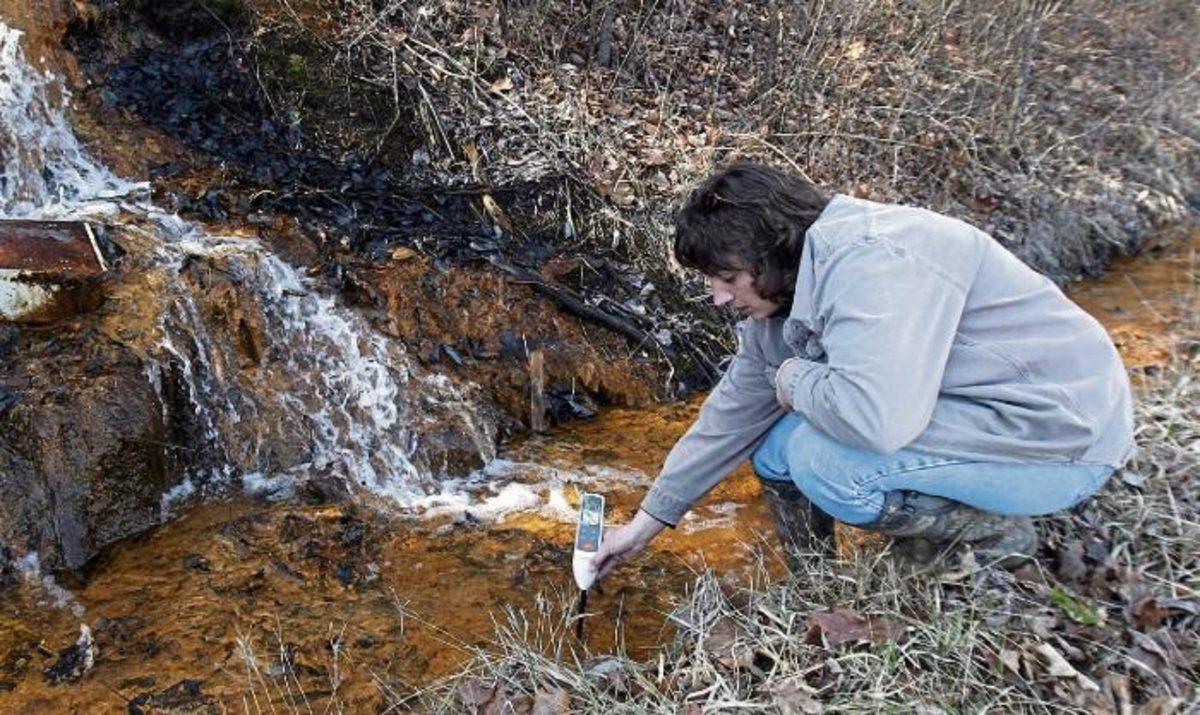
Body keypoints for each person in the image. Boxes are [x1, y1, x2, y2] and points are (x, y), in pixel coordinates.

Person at [591, 162, 1134, 579]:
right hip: (990, 420)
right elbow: (729, 417)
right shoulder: (784, 295)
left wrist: (794, 380)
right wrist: (646, 523)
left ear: (774, 251)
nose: (717, 297)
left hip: (1066, 442)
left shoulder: (874, 263)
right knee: (773, 444)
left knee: (820, 457)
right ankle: (815, 581)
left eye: (727, 277)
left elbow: (876, 422)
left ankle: (989, 535)